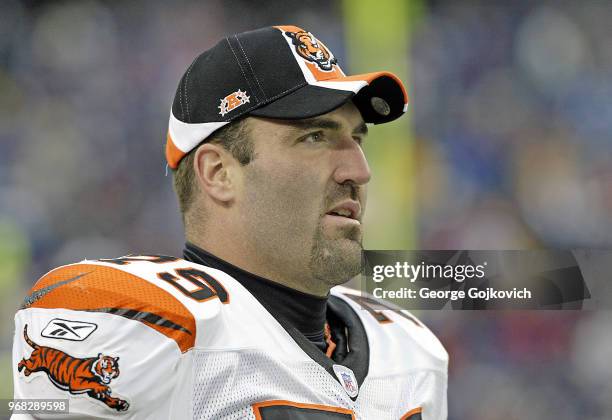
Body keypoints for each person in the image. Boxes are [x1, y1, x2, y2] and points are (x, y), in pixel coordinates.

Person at [12, 25, 448, 419]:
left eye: (356, 138)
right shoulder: (143, 325)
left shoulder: (410, 351)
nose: (359, 169)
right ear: (219, 174)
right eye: (315, 136)